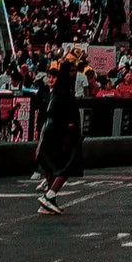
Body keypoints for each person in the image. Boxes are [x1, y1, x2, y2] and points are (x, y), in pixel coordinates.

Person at [35, 59, 84, 214]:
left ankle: (48, 201)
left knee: (53, 167)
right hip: (63, 136)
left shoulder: (57, 91)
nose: (74, 74)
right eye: (71, 71)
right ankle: (50, 196)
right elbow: (58, 115)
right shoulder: (63, 93)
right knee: (67, 166)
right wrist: (70, 127)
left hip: (53, 134)